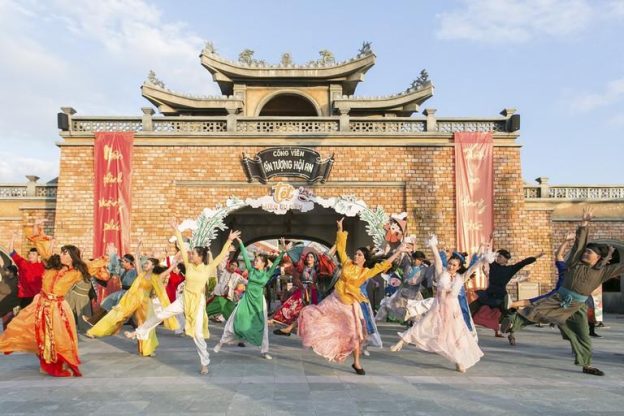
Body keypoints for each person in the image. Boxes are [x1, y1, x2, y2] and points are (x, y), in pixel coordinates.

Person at [500, 209, 624, 376]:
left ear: (598, 258)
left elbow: (620, 267)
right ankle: (511, 322)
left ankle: (586, 365)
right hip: (559, 298)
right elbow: (578, 245)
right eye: (586, 251)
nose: (586, 253)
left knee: (583, 336)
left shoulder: (603, 272)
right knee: (536, 311)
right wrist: (584, 224)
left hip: (576, 306)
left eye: (590, 252)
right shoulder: (575, 262)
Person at [125, 219, 240, 375]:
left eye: (193, 254)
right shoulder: (189, 264)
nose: (190, 255)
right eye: (190, 253)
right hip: (183, 299)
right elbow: (180, 241)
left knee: (198, 334)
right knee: (161, 314)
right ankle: (139, 332)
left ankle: (204, 363)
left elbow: (220, 256)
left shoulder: (207, 268)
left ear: (200, 256)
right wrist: (176, 230)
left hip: (197, 303)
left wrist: (228, 240)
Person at [298, 218, 407, 375]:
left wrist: (398, 251)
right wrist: (340, 229)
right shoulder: (347, 263)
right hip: (334, 300)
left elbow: (383, 265)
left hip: (350, 305)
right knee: (316, 316)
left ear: (364, 258)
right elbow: (341, 248)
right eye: (355, 253)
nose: (356, 256)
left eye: (359, 254)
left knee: (355, 333)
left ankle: (356, 363)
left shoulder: (365, 272)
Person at [390, 235, 492, 373]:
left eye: (454, 265)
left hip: (454, 312)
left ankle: (459, 361)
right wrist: (433, 246)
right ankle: (401, 342)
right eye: (450, 263)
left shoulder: (460, 278)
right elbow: (438, 261)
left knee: (457, 337)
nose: (451, 266)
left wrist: (482, 261)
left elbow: (472, 269)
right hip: (438, 307)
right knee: (422, 325)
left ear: (458, 267)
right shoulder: (441, 274)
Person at [0, 233, 91, 377]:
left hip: (57, 308)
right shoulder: (52, 268)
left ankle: (57, 363)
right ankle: (46, 364)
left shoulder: (76, 273)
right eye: (61, 252)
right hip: (40, 304)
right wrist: (38, 233)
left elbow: (92, 267)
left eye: (64, 253)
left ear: (71, 256)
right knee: (34, 333)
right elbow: (45, 251)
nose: (61, 255)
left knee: (57, 338)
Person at [86, 243, 179, 356]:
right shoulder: (140, 274)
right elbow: (137, 260)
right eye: (145, 263)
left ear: (153, 266)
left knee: (145, 325)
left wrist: (174, 265)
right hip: (131, 300)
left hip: (144, 304)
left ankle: (146, 349)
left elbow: (168, 271)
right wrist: (138, 249)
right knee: (116, 315)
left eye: (148, 263)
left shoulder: (156, 277)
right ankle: (94, 331)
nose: (145, 264)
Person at [214, 238, 287, 359]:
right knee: (234, 319)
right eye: (255, 260)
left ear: (263, 263)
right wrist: (242, 243)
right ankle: (221, 342)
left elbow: (276, 263)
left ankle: (265, 351)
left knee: (262, 326)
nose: (255, 262)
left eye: (257, 261)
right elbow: (246, 257)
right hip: (246, 299)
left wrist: (283, 251)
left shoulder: (267, 274)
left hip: (259, 302)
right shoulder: (251, 270)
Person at [470, 245, 542, 338]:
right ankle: (464, 326)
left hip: (500, 295)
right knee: (471, 308)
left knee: (508, 313)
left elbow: (523, 263)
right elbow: (486, 257)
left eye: (500, 257)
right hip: (488, 294)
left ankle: (511, 331)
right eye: (497, 256)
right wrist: (485, 249)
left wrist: (536, 256)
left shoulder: (510, 269)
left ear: (506, 260)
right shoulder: (493, 265)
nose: (498, 258)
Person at [273, 250, 321, 336]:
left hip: (312, 292)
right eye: (308, 257)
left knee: (310, 313)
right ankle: (288, 328)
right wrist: (285, 249)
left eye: (311, 257)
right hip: (302, 290)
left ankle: (290, 329)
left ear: (314, 259)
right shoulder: (302, 268)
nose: (309, 258)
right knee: (292, 308)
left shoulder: (318, 269)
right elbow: (294, 272)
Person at [9, 230, 44, 309]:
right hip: (25, 298)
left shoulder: (43, 266)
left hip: (38, 298)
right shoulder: (23, 263)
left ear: (39, 256)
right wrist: (13, 237)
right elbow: (11, 252)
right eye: (30, 254)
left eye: (33, 254)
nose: (30, 255)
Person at [0, 261, 19, 329]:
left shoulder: (15, 281)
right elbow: (3, 273)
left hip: (8, 306)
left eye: (7, 271)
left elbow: (7, 291)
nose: (6, 272)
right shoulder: (7, 277)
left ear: (12, 273)